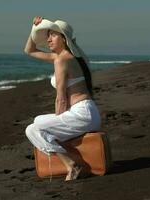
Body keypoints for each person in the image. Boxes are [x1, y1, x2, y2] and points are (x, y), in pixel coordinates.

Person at [24, 16, 101, 181]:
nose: (48, 39)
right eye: (47, 35)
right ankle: (71, 163)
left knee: (33, 129)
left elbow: (61, 99)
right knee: (38, 121)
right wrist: (34, 29)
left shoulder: (61, 60)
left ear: (64, 39)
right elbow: (29, 50)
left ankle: (72, 165)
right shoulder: (72, 57)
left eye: (53, 35)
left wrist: (57, 121)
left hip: (81, 114)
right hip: (88, 113)